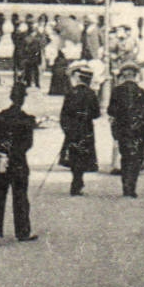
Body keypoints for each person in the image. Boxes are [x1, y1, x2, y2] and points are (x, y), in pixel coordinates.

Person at [0, 84, 39, 244]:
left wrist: (0, 154)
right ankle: (22, 231)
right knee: (20, 197)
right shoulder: (26, 120)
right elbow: (27, 144)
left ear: (10, 98)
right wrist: (13, 154)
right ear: (23, 99)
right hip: (18, 162)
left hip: (1, 162)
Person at [107, 64, 144, 199]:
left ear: (123, 76)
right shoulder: (141, 91)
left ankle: (126, 186)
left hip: (123, 130)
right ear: (135, 76)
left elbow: (110, 111)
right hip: (140, 130)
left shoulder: (116, 91)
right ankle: (132, 187)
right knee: (137, 158)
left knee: (125, 157)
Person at [59, 61, 101, 196]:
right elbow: (96, 114)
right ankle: (78, 181)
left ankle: (76, 181)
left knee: (73, 155)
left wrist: (66, 129)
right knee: (83, 155)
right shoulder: (91, 94)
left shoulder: (71, 93)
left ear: (78, 78)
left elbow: (63, 114)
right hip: (86, 129)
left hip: (72, 130)